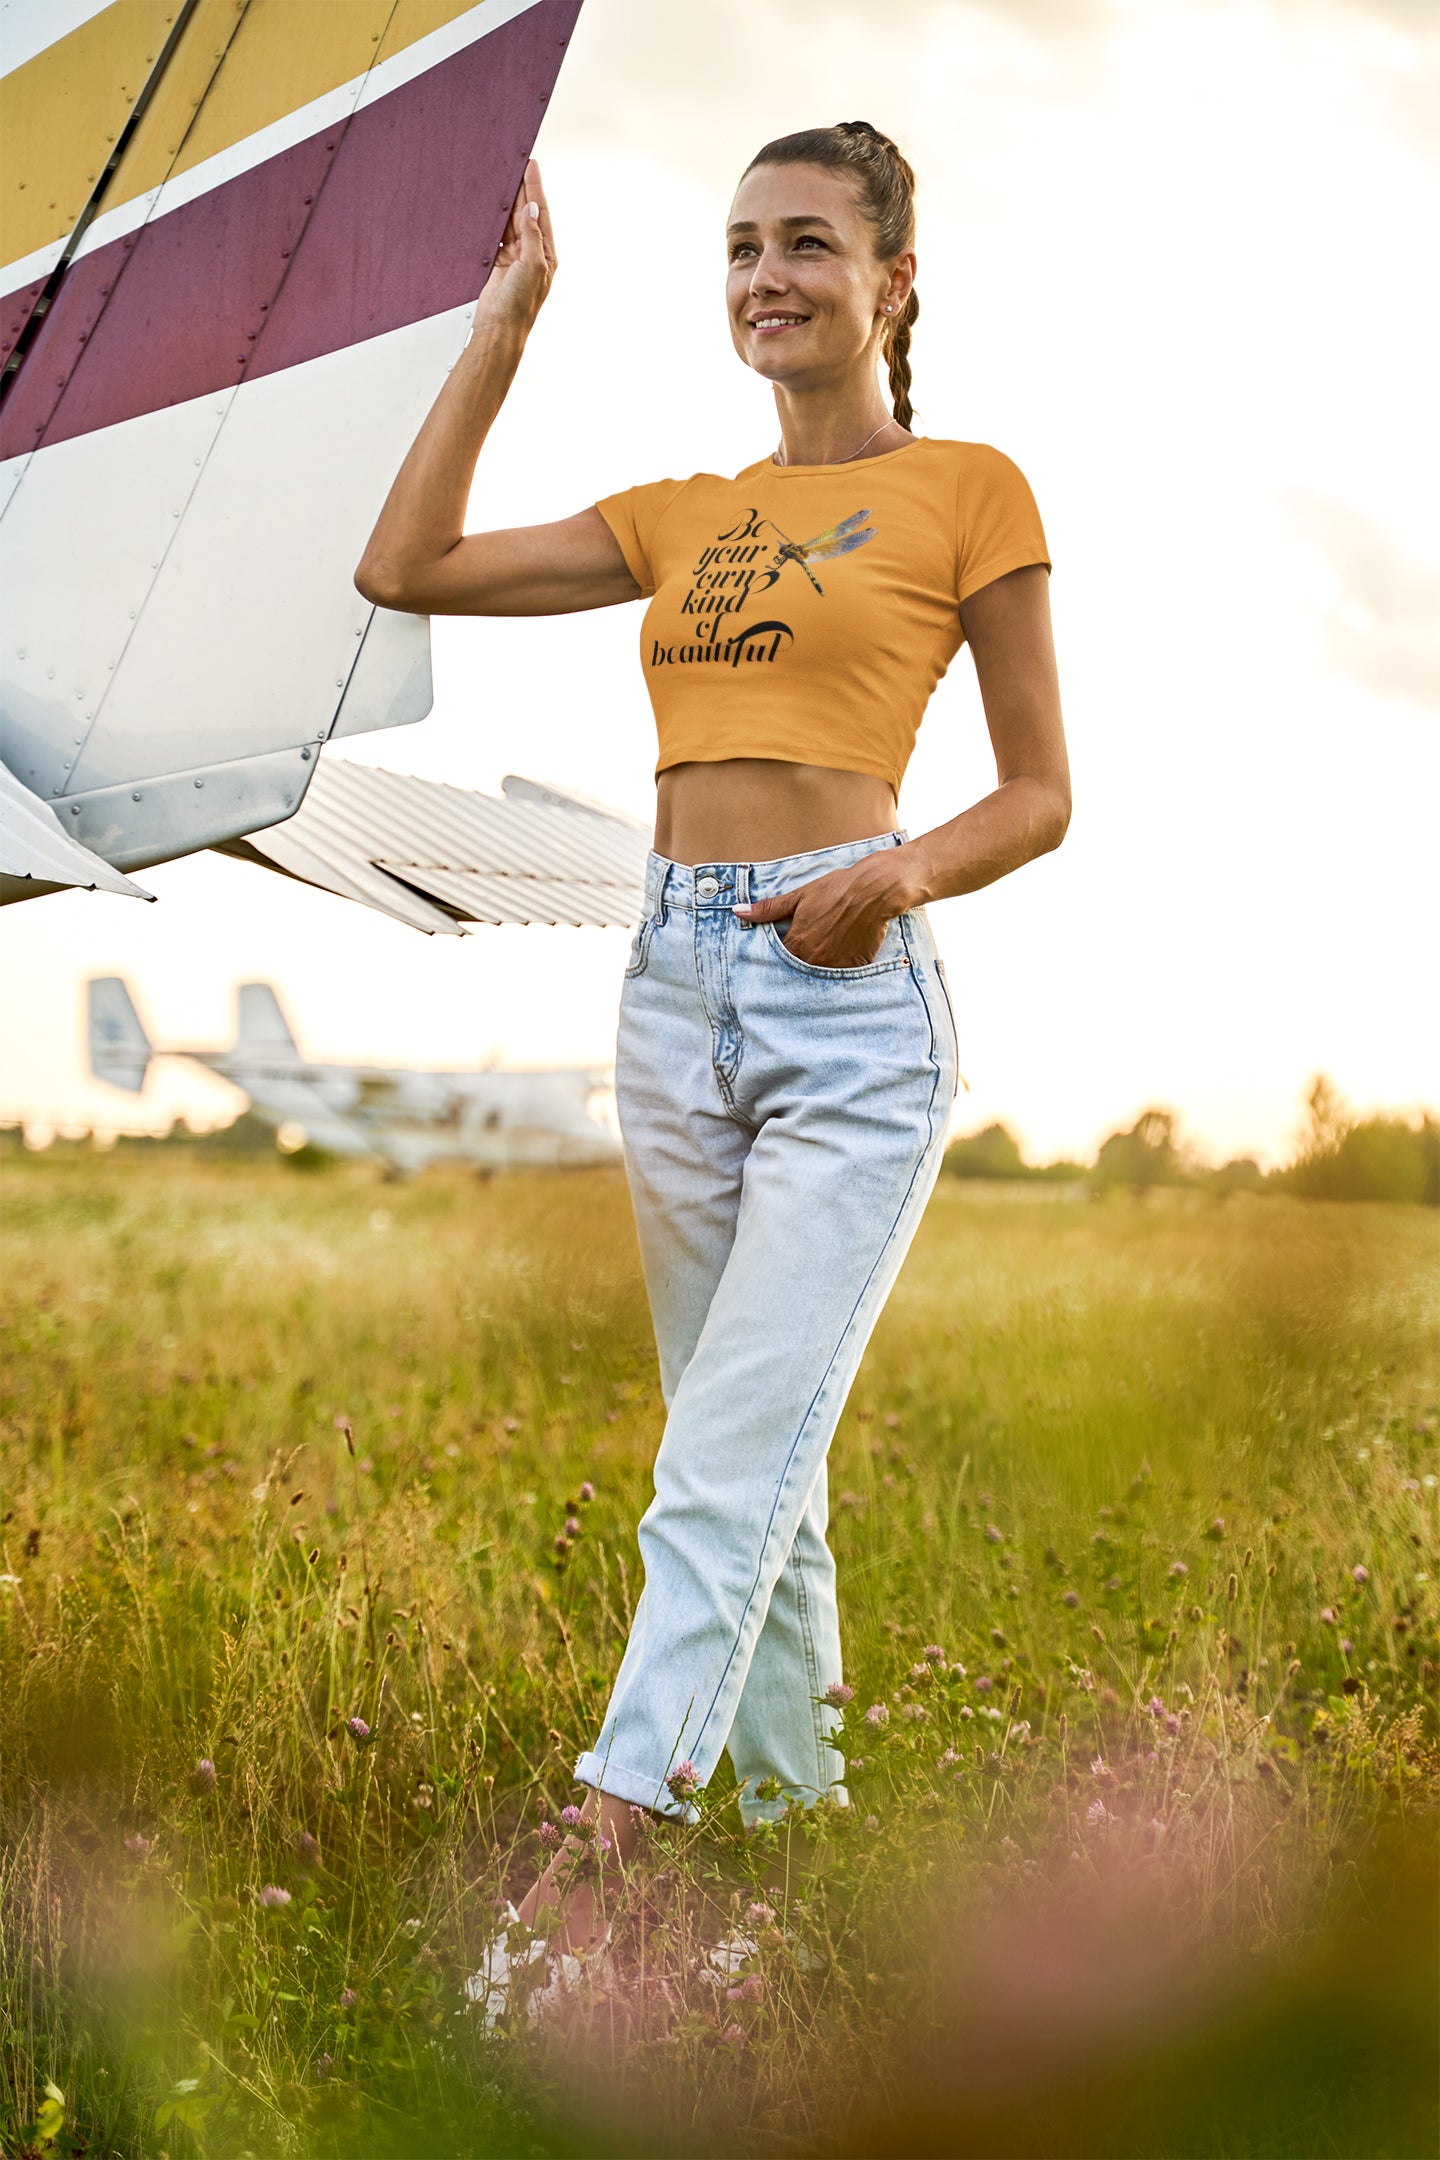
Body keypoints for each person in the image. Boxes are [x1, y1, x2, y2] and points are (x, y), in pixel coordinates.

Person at [356, 122, 1069, 2007]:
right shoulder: (676, 511)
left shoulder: (971, 491)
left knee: (725, 1463)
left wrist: (888, 876)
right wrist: (505, 323)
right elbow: (402, 561)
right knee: (756, 1470)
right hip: (671, 987)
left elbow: (1039, 793)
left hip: (848, 1007)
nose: (769, 276)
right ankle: (791, 1860)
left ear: (893, 278)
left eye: (811, 245)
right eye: (745, 246)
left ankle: (604, 1850)